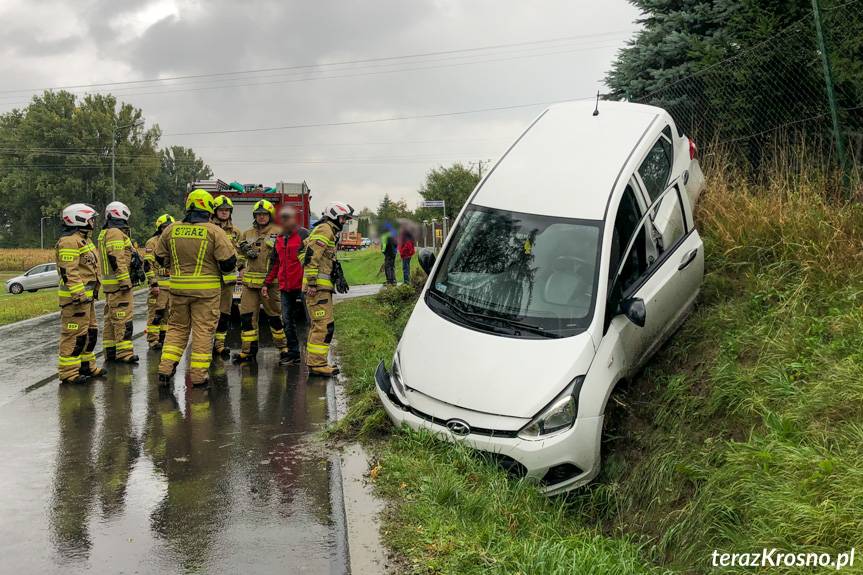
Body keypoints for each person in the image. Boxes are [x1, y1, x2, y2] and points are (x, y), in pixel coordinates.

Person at [155, 189, 237, 387]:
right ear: (208, 208)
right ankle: (199, 377)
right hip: (206, 293)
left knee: (176, 329)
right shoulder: (214, 231)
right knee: (203, 331)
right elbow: (228, 263)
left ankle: (165, 368)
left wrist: (175, 266)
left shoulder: (171, 229)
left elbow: (159, 257)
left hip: (178, 290)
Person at [232, 199, 289, 363]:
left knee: (274, 317)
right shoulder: (247, 233)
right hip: (249, 285)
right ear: (254, 216)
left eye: (264, 214)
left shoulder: (279, 232)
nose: (261, 217)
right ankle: (248, 352)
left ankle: (283, 349)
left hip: (270, 284)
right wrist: (241, 267)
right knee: (247, 318)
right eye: (258, 214)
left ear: (270, 215)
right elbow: (239, 253)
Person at [55, 203, 105, 384]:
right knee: (73, 335)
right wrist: (79, 295)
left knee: (89, 333)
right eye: (91, 218)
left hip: (86, 299)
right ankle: (68, 372)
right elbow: (69, 271)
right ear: (80, 219)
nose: (93, 222)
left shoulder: (85, 240)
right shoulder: (69, 241)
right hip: (75, 300)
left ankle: (86, 366)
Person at [304, 201, 354, 376]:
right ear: (334, 216)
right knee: (323, 326)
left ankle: (315, 362)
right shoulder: (325, 230)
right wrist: (311, 283)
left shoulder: (327, 231)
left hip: (321, 288)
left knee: (321, 325)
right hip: (317, 289)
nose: (344, 221)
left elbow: (305, 251)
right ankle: (317, 364)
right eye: (342, 218)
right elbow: (311, 256)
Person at [262, 206, 309, 366]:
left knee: (311, 321)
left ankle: (315, 357)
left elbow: (313, 258)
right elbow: (275, 263)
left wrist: (312, 282)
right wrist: (266, 283)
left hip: (303, 286)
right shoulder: (279, 238)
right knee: (287, 322)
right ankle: (294, 354)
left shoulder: (304, 234)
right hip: (285, 287)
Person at [97, 201, 138, 363]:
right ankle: (124, 353)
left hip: (111, 286)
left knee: (110, 320)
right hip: (119, 286)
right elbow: (116, 258)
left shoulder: (105, 232)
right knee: (122, 319)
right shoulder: (115, 232)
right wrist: (125, 280)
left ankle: (111, 351)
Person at [211, 195, 241, 359]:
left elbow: (241, 253)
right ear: (215, 211)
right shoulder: (208, 228)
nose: (224, 212)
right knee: (208, 313)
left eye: (227, 210)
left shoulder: (236, 232)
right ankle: (205, 344)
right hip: (211, 278)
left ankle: (219, 345)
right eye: (221, 210)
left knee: (224, 313)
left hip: (228, 281)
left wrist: (241, 268)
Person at [143, 214, 174, 350]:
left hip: (171, 286)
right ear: (159, 228)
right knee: (156, 314)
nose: (166, 229)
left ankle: (163, 338)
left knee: (167, 315)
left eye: (169, 226)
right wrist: (153, 283)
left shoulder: (173, 242)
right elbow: (147, 265)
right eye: (164, 227)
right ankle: (153, 340)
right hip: (159, 286)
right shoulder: (152, 242)